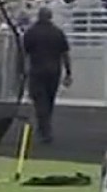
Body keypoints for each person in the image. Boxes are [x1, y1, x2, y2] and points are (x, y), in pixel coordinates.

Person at [20, 8, 71, 144]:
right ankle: (45, 127)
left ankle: (44, 129)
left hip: (37, 70)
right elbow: (65, 53)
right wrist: (68, 72)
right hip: (54, 70)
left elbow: (25, 53)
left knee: (39, 100)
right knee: (49, 100)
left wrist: (23, 70)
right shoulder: (58, 33)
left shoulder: (31, 32)